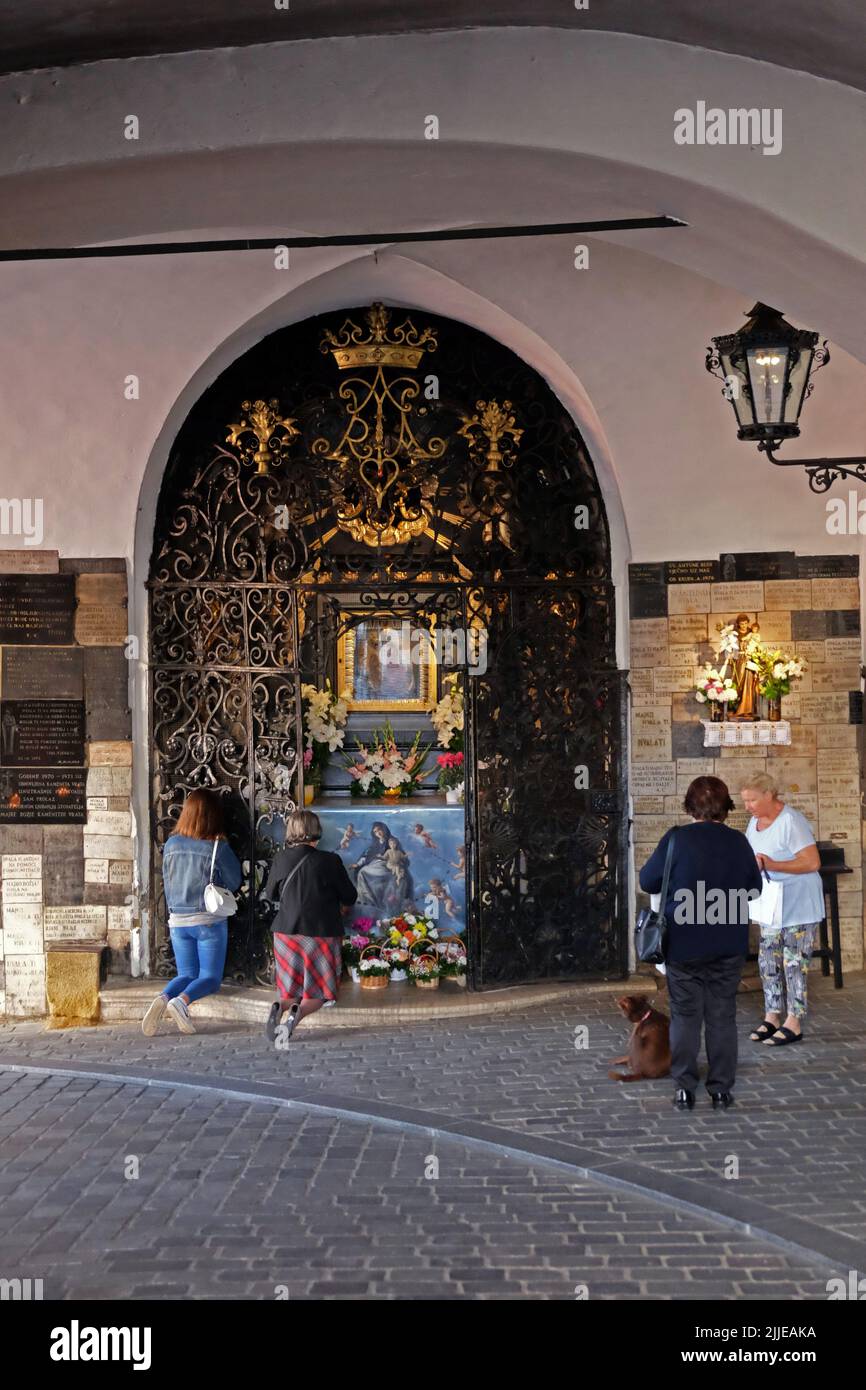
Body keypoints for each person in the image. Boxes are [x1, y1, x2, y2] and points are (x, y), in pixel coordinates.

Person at [639, 775, 762, 1111]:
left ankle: (684, 1088)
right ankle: (721, 1090)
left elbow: (647, 880)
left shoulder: (676, 840)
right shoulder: (738, 842)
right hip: (728, 940)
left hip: (684, 941)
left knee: (685, 1016)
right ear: (725, 808)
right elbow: (754, 889)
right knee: (723, 1015)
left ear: (689, 806)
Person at [142, 788, 242, 1036]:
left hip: (177, 921)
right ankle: (181, 1002)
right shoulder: (217, 846)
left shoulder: (172, 844)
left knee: (186, 973)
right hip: (208, 921)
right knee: (210, 978)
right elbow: (234, 882)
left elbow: (166, 878)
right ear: (213, 815)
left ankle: (164, 997)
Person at [740, 773, 824, 1046]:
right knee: (768, 962)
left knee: (794, 964)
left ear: (769, 795)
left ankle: (794, 1021)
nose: (747, 806)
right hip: (771, 905)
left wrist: (772, 864)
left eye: (752, 800)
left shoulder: (791, 821)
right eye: (745, 800)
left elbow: (812, 863)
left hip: (799, 905)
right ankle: (772, 1015)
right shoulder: (754, 822)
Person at [262, 809, 357, 1043]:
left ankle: (280, 1006)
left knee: (290, 989)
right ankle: (299, 1013)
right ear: (317, 831)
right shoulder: (330, 860)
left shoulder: (281, 858)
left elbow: (271, 894)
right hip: (320, 934)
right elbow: (350, 896)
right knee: (319, 991)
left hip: (285, 933)